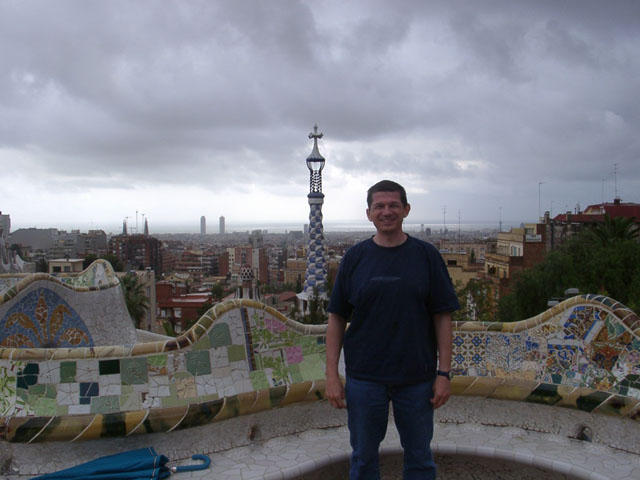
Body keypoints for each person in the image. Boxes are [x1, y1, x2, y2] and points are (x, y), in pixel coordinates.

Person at [325, 180, 460, 480]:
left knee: (420, 459)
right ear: (369, 213)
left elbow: (442, 317)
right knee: (362, 460)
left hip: (417, 379)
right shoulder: (355, 258)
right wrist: (332, 375)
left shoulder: (426, 256)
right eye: (379, 206)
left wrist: (444, 374)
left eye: (393, 205)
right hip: (364, 378)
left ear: (406, 210)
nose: (387, 212)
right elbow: (337, 318)